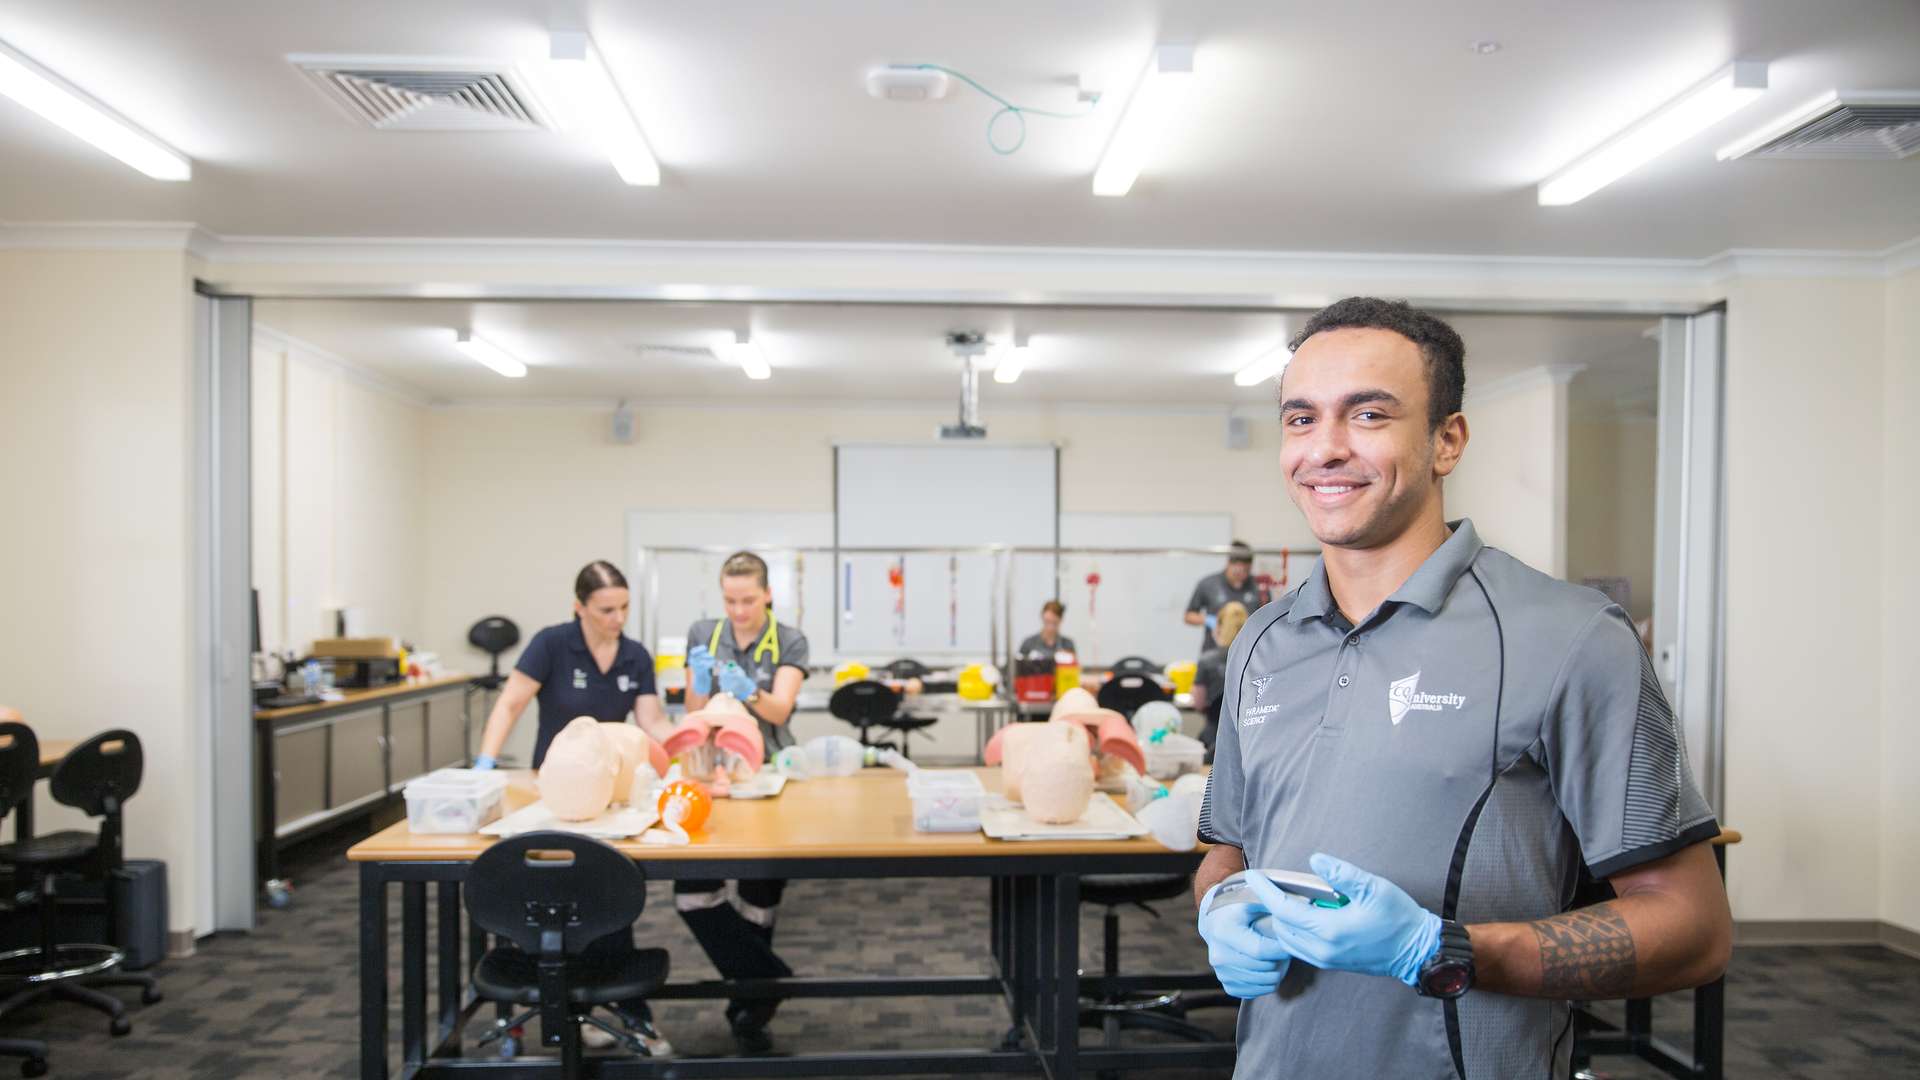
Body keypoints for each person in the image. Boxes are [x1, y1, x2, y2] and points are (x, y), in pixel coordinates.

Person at [1194, 297, 1730, 1078]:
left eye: (1369, 414)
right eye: (1301, 419)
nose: (1326, 448)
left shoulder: (1571, 637)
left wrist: (1444, 950)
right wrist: (1220, 906)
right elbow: (1227, 847)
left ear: (1448, 440)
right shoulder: (1260, 642)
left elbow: (1696, 928)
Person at [469, 559, 673, 1055]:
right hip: (551, 795)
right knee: (540, 900)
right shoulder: (552, 643)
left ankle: (625, 1015)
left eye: (624, 608)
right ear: (578, 607)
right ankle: (544, 1013)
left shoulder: (635, 656)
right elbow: (511, 703)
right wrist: (485, 762)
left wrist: (686, 747)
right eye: (606, 609)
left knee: (610, 899)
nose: (617, 618)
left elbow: (650, 723)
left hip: (613, 799)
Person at [678, 551, 810, 1055]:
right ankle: (766, 981)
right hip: (710, 771)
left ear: (768, 594)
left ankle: (749, 1010)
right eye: (730, 600)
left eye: (748, 600)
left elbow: (780, 708)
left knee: (760, 891)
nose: (737, 611)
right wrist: (698, 679)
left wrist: (747, 689)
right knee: (694, 889)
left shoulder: (789, 639)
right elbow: (693, 709)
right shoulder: (702, 633)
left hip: (767, 769)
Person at [1183, 540, 1268, 654]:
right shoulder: (1208, 584)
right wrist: (1209, 620)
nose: (1241, 575)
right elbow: (1189, 615)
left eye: (1246, 571)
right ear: (1228, 563)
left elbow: (1268, 618)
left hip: (1248, 652)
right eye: (1237, 571)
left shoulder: (1259, 587)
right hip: (1214, 652)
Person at [1191, 600, 1248, 760]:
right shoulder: (1257, 657)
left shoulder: (1207, 660)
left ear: (1219, 627)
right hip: (1249, 738)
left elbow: (1199, 703)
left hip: (1214, 738)